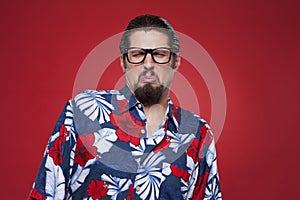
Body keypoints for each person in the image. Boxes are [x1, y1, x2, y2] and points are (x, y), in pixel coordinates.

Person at [28, 14, 222, 200]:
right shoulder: (82, 112)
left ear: (175, 61)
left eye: (159, 54)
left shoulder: (198, 134)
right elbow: (47, 192)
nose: (148, 64)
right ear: (123, 62)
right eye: (137, 54)